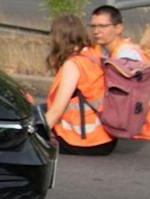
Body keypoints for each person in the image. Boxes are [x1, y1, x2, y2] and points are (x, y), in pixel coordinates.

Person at [87, 5, 150, 140]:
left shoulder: (127, 55)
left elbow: (133, 95)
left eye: (103, 26)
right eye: (93, 26)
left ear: (118, 28)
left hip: (147, 123)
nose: (96, 31)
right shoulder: (109, 50)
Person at [43, 14, 115, 155]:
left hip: (83, 141)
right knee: (40, 110)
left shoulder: (73, 65)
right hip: (106, 138)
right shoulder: (94, 54)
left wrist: (31, 136)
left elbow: (57, 110)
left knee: (36, 121)